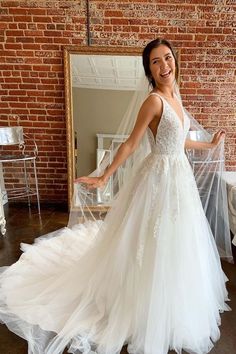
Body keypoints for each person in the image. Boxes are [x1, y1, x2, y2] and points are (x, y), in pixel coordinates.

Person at [0, 38, 230, 354]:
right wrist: (102, 176)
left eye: (167, 58)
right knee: (148, 239)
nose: (164, 66)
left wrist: (208, 145)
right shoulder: (153, 101)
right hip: (157, 180)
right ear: (149, 70)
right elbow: (131, 144)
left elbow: (178, 142)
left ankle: (172, 298)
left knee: (178, 240)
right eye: (155, 62)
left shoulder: (176, 96)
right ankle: (141, 302)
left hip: (179, 180)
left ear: (175, 59)